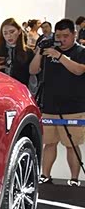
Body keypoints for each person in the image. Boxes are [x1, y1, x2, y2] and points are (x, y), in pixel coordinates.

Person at [29, 18, 85, 187]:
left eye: (66, 36)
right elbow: (33, 70)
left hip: (74, 107)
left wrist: (59, 56)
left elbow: (78, 70)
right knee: (49, 143)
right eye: (58, 36)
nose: (62, 40)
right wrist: (40, 51)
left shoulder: (80, 52)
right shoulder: (49, 51)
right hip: (49, 105)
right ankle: (45, 175)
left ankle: (74, 179)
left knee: (71, 145)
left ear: (74, 34)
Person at [0, 18, 35, 87]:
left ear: (19, 31)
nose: (9, 36)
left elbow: (32, 75)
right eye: (5, 33)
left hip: (20, 90)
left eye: (12, 32)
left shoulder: (28, 52)